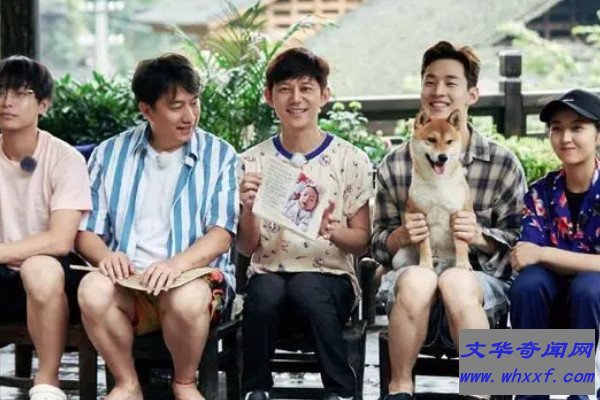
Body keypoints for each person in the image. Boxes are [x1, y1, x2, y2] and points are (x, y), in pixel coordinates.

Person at [75, 53, 239, 400]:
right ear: (146, 110)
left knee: (185, 298)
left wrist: (175, 265)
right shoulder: (109, 154)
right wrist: (106, 257)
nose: (189, 116)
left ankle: (184, 383)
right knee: (92, 289)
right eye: (176, 106)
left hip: (193, 279)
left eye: (194, 102)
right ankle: (127, 384)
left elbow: (221, 234)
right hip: (130, 281)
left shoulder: (220, 154)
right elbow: (86, 231)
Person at [371, 41, 527, 400]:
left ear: (472, 94)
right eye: (430, 81)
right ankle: (399, 389)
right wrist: (400, 236)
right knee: (417, 281)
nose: (438, 90)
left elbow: (521, 244)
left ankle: (480, 391)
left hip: (479, 284)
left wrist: (479, 236)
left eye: (450, 82)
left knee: (457, 281)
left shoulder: (502, 164)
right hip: (414, 277)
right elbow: (376, 246)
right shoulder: (396, 164)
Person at [238, 47, 372, 400]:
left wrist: (333, 231)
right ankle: (255, 391)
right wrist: (248, 208)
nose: (295, 98)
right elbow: (245, 248)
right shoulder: (251, 161)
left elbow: (364, 242)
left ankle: (344, 391)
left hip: (331, 281)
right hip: (269, 275)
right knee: (267, 291)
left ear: (324, 96)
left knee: (306, 287)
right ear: (269, 97)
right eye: (284, 89)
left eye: (306, 88)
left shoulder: (351, 159)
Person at [0, 55, 92, 400]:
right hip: (4, 276)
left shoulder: (64, 159)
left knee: (39, 269)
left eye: (20, 93)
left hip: (56, 276)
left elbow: (60, 240)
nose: (6, 101)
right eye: (1, 91)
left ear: (43, 104)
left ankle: (47, 382)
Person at [509, 89, 600, 400]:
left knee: (589, 288)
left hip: (593, 300)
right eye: (557, 128)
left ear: (598, 135)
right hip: (551, 294)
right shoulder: (541, 191)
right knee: (527, 285)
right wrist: (539, 256)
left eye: (577, 128)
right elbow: (524, 255)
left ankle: (578, 393)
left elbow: (536, 252)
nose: (565, 138)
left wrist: (545, 253)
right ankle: (529, 393)